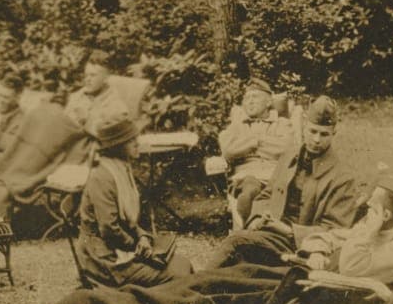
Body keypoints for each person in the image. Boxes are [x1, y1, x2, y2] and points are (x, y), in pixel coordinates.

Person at [207, 96, 358, 270]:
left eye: (324, 134)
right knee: (237, 261)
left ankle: (192, 286)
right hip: (271, 233)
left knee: (235, 243)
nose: (316, 140)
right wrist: (258, 217)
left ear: (334, 133)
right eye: (312, 131)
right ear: (303, 128)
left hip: (305, 247)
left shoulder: (342, 177)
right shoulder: (289, 157)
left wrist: (288, 230)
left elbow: (336, 231)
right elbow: (266, 194)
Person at [75, 115, 193, 289]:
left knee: (183, 263)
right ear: (117, 147)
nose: (138, 143)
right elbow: (109, 229)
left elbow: (126, 222)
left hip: (118, 246)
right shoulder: (103, 176)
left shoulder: (121, 168)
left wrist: (142, 236)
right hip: (104, 258)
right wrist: (137, 244)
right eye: (131, 141)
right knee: (179, 274)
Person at [298, 171, 393, 284]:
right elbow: (329, 237)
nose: (367, 205)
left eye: (372, 205)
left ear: (385, 215)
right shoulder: (374, 230)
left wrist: (368, 233)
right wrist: (318, 252)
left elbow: (349, 267)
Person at [218, 79, 296, 225]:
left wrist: (253, 143)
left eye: (255, 97)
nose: (250, 102)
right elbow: (228, 151)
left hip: (275, 176)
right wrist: (257, 143)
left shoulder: (282, 123)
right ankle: (249, 227)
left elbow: (287, 149)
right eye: (247, 98)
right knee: (249, 188)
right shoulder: (237, 125)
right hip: (247, 177)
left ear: (268, 103)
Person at [64, 49, 130, 138]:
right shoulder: (77, 96)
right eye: (86, 75)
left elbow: (112, 137)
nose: (87, 79)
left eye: (93, 75)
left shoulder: (115, 104)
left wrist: (86, 120)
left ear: (106, 78)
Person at [0, 74, 26, 153]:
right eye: (0, 95)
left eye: (6, 97)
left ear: (17, 98)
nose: (1, 101)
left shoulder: (20, 120)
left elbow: (13, 146)